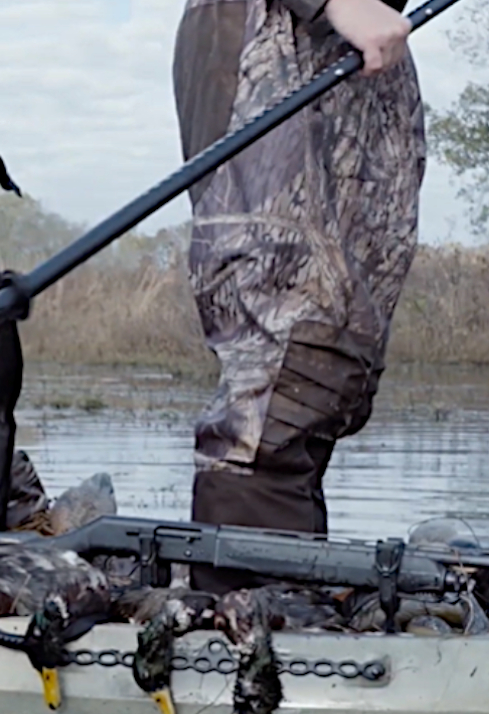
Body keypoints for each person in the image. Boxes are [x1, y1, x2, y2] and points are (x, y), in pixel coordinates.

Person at [171, 0, 425, 594]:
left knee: (336, 358)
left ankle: (294, 605)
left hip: (366, 52)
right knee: (280, 368)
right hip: (281, 40)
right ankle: (245, 628)